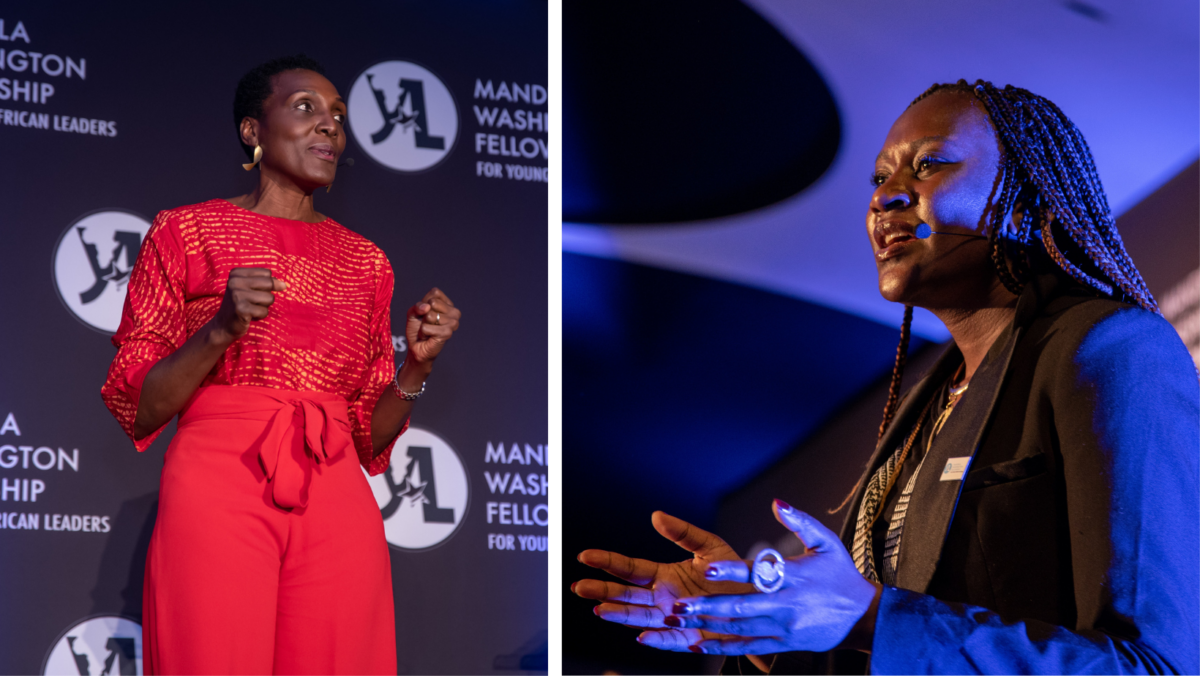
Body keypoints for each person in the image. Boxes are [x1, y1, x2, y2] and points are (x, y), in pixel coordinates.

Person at [572, 80, 1200, 674]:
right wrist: (756, 619)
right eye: (879, 177)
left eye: (928, 165)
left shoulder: (1111, 348)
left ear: (1026, 192)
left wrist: (868, 614)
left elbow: (1153, 664)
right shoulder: (926, 408)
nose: (886, 195)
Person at [100, 54, 462, 676]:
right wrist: (221, 330)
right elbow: (141, 404)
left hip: (336, 496)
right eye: (306, 109)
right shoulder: (186, 231)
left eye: (338, 118)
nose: (329, 128)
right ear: (252, 130)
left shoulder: (367, 262)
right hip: (219, 482)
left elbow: (364, 438)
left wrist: (415, 370)